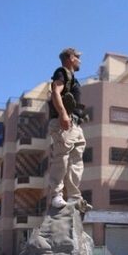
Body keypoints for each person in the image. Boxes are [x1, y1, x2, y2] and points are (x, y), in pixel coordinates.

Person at [47, 47, 87, 208]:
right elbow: (55, 92)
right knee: (61, 158)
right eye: (78, 57)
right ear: (70, 57)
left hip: (75, 124)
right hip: (63, 122)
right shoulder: (62, 72)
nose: (80, 61)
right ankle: (56, 195)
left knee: (76, 161)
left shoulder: (73, 79)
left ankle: (74, 196)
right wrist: (63, 114)